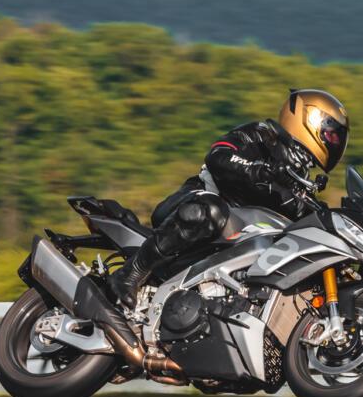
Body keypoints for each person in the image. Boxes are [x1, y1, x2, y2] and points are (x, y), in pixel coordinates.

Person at [108, 88, 349, 308]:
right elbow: (218, 156)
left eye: (338, 138)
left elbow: (305, 217)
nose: (336, 142)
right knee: (211, 210)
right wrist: (259, 170)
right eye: (332, 135)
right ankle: (130, 274)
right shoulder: (262, 136)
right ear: (309, 119)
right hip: (196, 203)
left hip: (235, 239)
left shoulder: (300, 177)